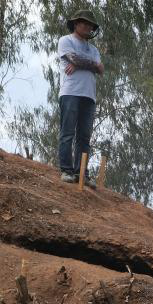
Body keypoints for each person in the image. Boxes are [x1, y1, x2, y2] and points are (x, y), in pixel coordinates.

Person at [56, 9, 103, 184]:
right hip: (70, 92)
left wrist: (80, 64)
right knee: (67, 132)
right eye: (84, 23)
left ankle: (81, 172)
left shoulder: (94, 49)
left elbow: (101, 69)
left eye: (90, 25)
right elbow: (73, 59)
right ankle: (66, 170)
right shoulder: (65, 40)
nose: (87, 27)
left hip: (89, 95)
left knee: (84, 136)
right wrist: (89, 64)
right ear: (76, 24)